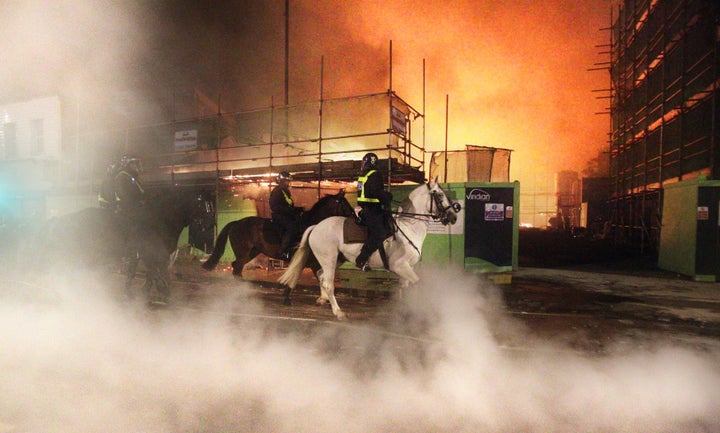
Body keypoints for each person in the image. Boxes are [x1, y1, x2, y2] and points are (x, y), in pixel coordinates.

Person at [355, 152, 392, 272]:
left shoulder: (362, 175)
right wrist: (388, 197)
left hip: (362, 209)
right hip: (372, 211)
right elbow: (377, 192)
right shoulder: (375, 174)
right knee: (380, 233)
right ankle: (361, 259)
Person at [270, 171, 303, 261]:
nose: (288, 183)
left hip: (286, 214)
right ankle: (282, 251)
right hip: (279, 215)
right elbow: (274, 206)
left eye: (288, 181)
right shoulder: (277, 191)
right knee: (291, 227)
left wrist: (298, 209)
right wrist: (291, 211)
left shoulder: (285, 191)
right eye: (286, 181)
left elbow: (288, 205)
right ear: (281, 181)